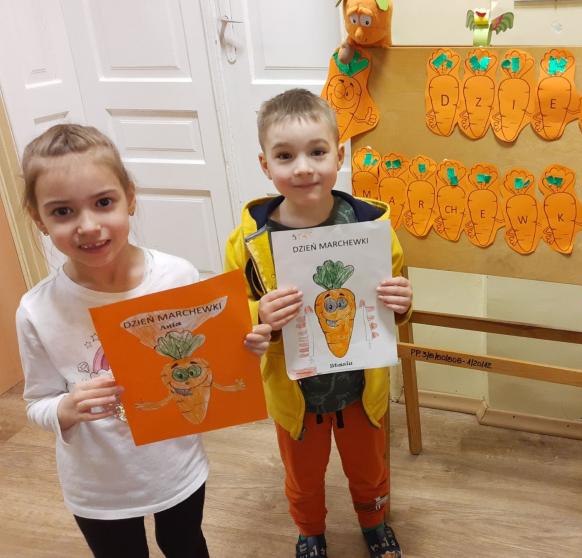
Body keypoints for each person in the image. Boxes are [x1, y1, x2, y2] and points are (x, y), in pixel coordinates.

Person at [16, 124, 271, 558]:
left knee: (186, 545)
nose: (88, 226)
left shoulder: (177, 277)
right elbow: (36, 402)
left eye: (103, 202)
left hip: (176, 468)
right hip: (98, 487)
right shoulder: (37, 310)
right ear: (39, 219)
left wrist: (246, 348)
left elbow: (213, 360)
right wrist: (64, 408)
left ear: (130, 198)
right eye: (63, 211)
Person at [224, 89, 413, 558]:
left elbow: (395, 294)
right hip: (296, 394)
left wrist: (402, 303)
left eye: (317, 151)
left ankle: (374, 523)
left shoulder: (369, 226)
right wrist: (258, 315)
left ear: (339, 156)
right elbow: (232, 316)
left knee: (368, 469)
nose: (303, 168)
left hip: (360, 386)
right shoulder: (249, 241)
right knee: (303, 475)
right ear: (265, 165)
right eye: (285, 156)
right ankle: (310, 530)